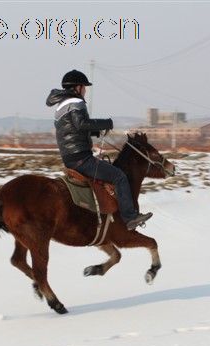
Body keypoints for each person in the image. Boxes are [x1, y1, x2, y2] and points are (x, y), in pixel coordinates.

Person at [46, 69, 152, 231]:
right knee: (119, 176)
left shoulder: (61, 106)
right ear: (77, 87)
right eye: (84, 87)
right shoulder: (75, 102)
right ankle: (130, 217)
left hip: (70, 157)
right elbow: (81, 124)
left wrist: (94, 131)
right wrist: (105, 123)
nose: (86, 90)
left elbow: (73, 129)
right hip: (81, 158)